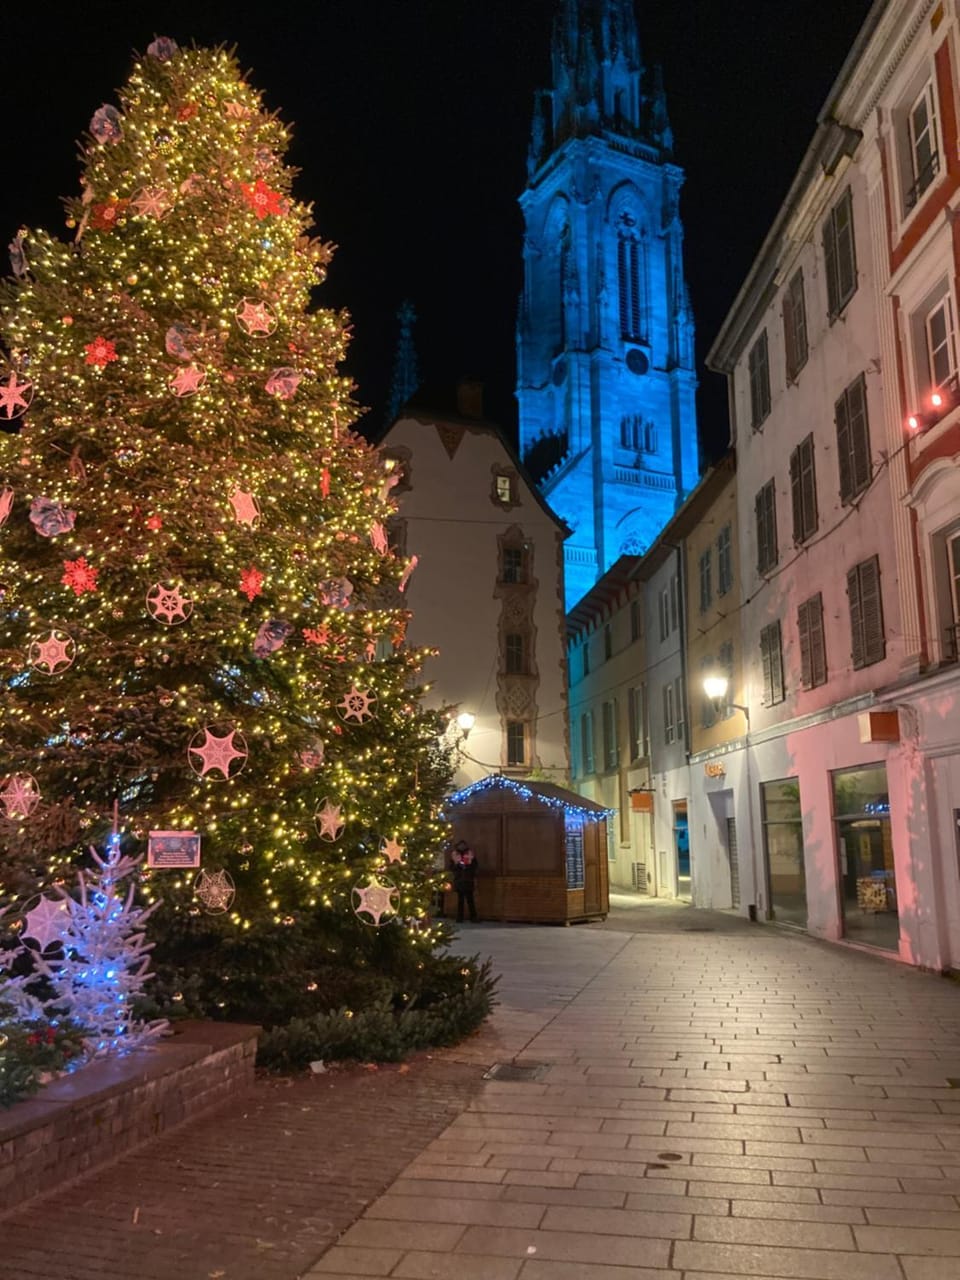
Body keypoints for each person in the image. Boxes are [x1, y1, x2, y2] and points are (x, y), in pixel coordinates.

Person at [450, 839, 479, 923]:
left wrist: (470, 871)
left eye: (463, 845)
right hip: (459, 880)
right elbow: (451, 867)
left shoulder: (470, 854)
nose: (462, 847)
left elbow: (475, 865)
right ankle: (460, 917)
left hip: (468, 880)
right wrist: (457, 866)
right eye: (460, 845)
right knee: (460, 900)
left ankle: (473, 917)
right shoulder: (455, 855)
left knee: (470, 900)